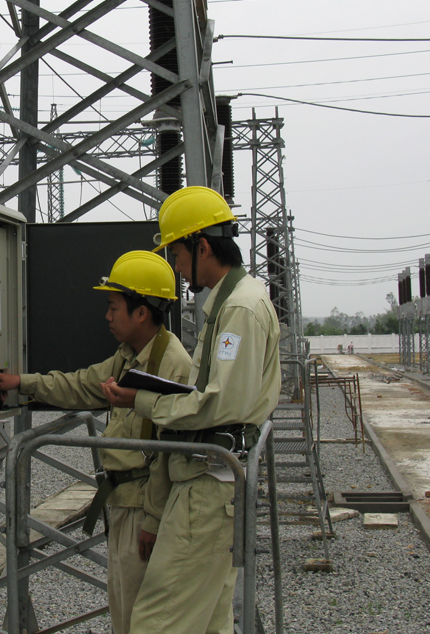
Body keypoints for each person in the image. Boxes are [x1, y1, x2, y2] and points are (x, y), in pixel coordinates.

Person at [102, 186, 282, 634]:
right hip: (212, 479)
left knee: (157, 622)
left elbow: (220, 403)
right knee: (208, 623)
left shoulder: (240, 308)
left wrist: (143, 400)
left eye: (178, 254)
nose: (177, 267)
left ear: (202, 247)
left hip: (209, 485)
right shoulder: (230, 303)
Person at [0, 250, 192, 634]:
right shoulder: (128, 357)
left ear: (141, 312)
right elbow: (81, 385)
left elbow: (172, 451)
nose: (107, 316)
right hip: (123, 505)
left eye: (113, 307)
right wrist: (21, 383)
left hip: (144, 511)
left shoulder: (171, 364)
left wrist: (153, 519)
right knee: (125, 615)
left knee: (142, 621)